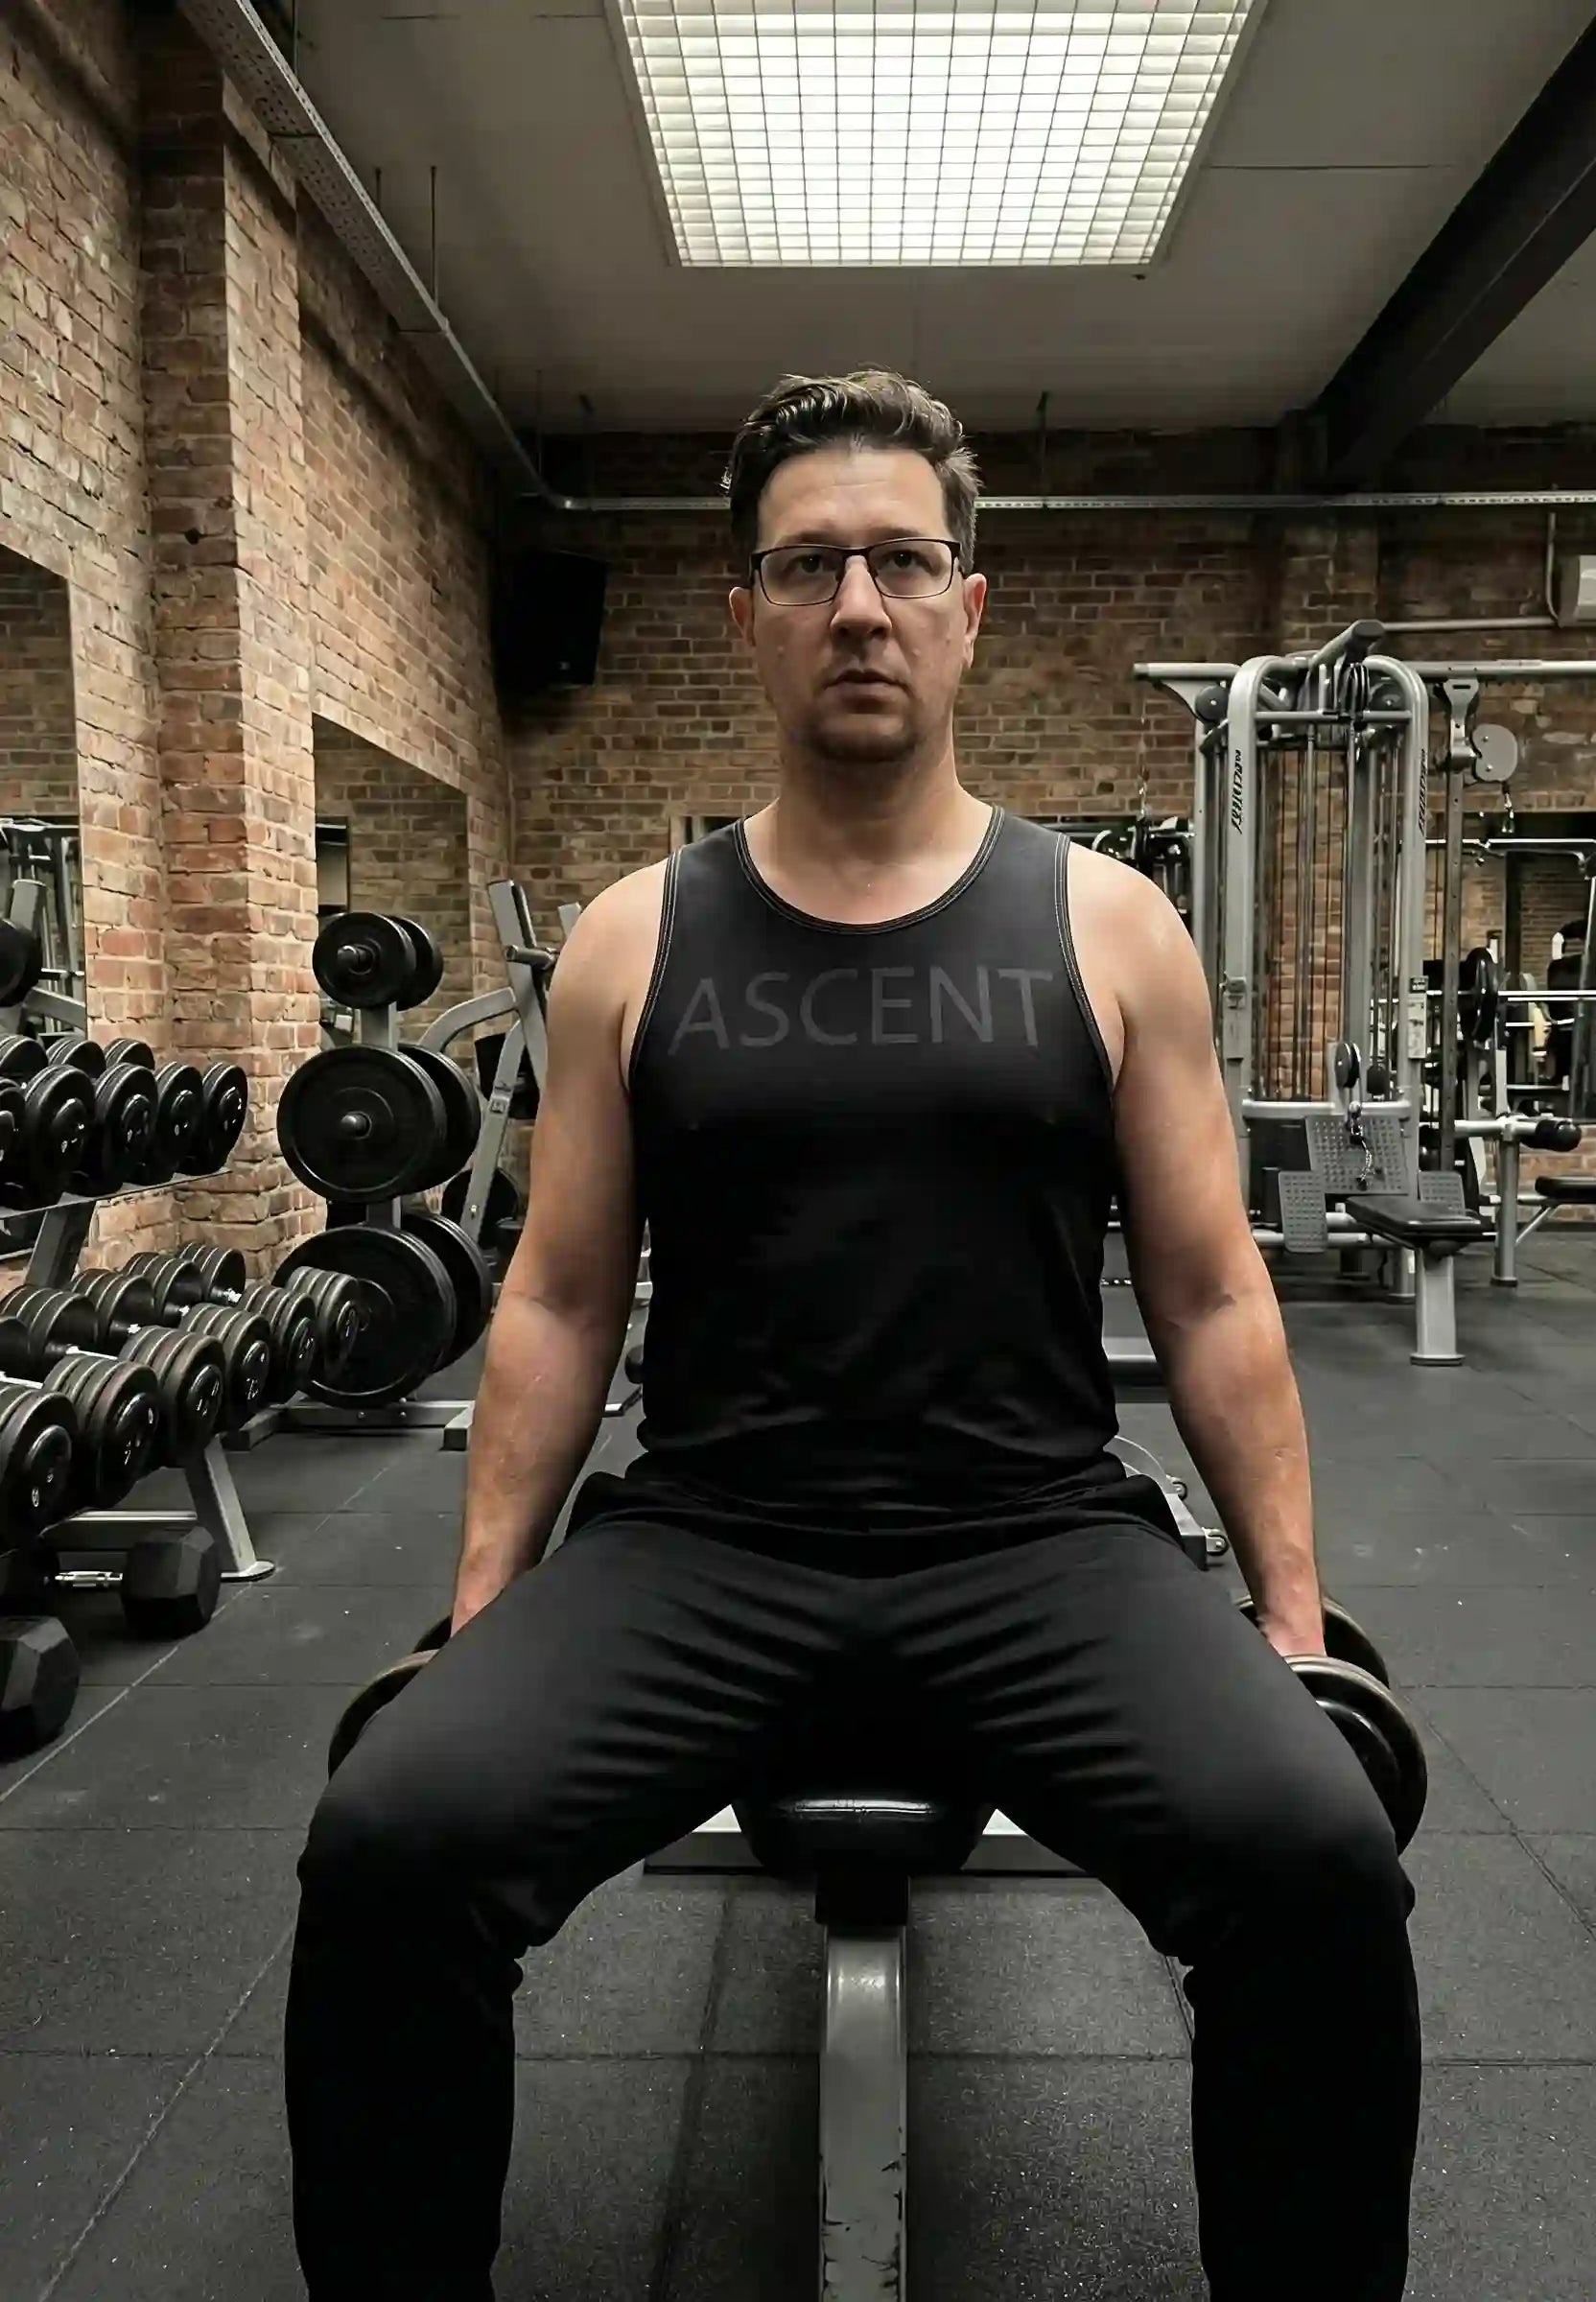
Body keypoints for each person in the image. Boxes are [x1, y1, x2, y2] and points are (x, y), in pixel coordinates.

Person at [286, 369, 1420, 2300]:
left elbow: (1213, 1288)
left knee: (1313, 1860)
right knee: (392, 1840)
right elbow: (558, 1297)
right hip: (708, 1538)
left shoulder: (1106, 924)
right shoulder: (637, 938)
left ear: (967, 608)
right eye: (807, 567)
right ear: (744, 618)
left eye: (901, 561)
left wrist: (1291, 1622)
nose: (858, 604)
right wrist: (482, 1609)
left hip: (1036, 1539)